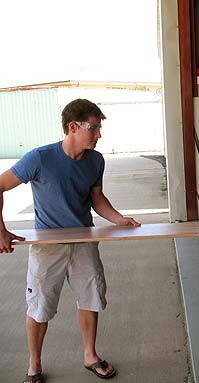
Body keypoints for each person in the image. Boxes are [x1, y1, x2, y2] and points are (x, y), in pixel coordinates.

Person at [0, 99, 140, 383]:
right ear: (72, 127)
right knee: (39, 306)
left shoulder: (95, 161)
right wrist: (0, 231)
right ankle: (34, 367)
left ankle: (90, 355)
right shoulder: (39, 158)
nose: (99, 134)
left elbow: (96, 198)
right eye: (94, 128)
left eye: (100, 127)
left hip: (83, 241)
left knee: (91, 298)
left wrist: (118, 219)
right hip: (47, 247)